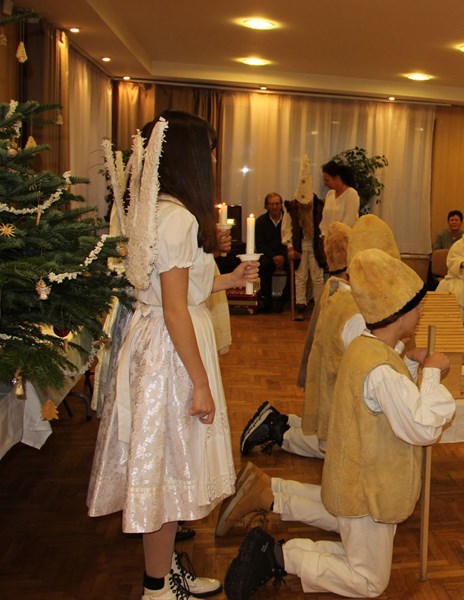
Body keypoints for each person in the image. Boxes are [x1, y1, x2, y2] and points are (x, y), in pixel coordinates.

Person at [86, 111, 259, 600]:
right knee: (166, 469)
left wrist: (227, 279)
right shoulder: (178, 219)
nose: (212, 162)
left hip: (156, 340)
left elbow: (172, 291)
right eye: (209, 152)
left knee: (164, 465)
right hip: (172, 351)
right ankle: (157, 588)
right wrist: (200, 384)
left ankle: (162, 573)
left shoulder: (154, 210)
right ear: (190, 158)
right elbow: (176, 308)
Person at [224, 248, 455, 599]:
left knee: (359, 559)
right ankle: (277, 557)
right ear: (398, 313)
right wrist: (434, 374)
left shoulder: (367, 347)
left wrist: (409, 361)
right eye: (417, 306)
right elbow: (422, 427)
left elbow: (387, 401)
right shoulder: (380, 369)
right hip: (368, 490)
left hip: (357, 480)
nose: (421, 312)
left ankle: (279, 551)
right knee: (369, 581)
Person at [237, 216, 401, 460]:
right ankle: (278, 430)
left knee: (328, 432)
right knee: (341, 448)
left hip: (328, 386)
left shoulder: (336, 289)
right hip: (339, 394)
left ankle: (285, 421)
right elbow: (372, 357)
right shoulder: (353, 309)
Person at [283, 192, 325, 316]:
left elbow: (325, 225)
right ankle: (300, 304)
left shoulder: (320, 206)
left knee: (317, 277)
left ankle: (318, 305)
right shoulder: (292, 207)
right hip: (299, 244)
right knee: (300, 276)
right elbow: (286, 229)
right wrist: (290, 248)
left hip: (315, 244)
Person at [255, 192, 289, 313]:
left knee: (296, 265)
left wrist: (283, 256)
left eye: (277, 204)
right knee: (263, 266)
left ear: (281, 205)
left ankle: (284, 299)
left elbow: (293, 240)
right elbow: (260, 244)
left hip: (285, 253)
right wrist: (274, 256)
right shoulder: (260, 221)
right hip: (268, 255)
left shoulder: (288, 220)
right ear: (266, 206)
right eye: (271, 204)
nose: (275, 207)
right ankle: (267, 301)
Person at [320, 160, 359, 232]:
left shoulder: (351, 194)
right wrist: (324, 234)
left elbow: (348, 221)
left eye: (327, 180)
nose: (325, 184)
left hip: (345, 236)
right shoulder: (330, 194)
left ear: (337, 178)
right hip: (329, 237)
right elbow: (324, 220)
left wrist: (335, 235)